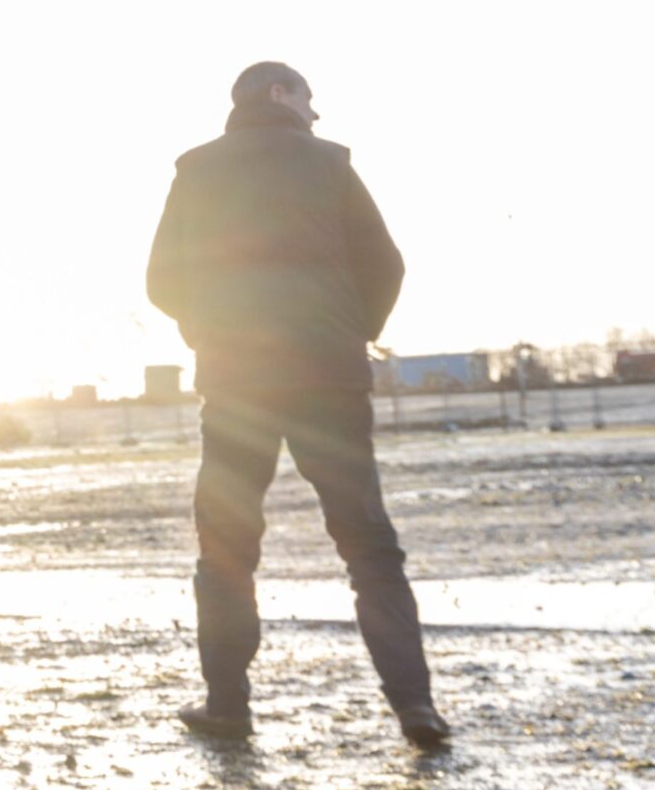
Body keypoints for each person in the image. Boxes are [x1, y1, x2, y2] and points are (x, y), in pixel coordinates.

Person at [145, 62, 449, 748]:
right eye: (310, 98)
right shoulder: (329, 164)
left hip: (236, 383)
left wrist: (208, 330)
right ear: (280, 93)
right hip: (327, 379)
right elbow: (387, 263)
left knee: (225, 548)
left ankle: (227, 705)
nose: (316, 113)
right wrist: (352, 331)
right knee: (371, 546)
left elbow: (161, 278)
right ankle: (416, 709)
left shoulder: (196, 171)